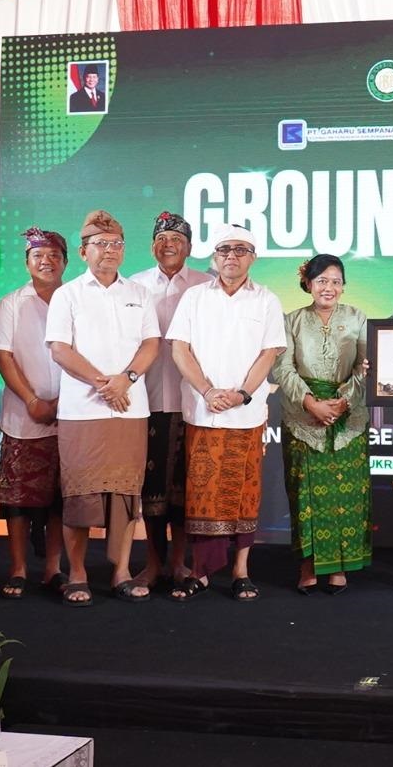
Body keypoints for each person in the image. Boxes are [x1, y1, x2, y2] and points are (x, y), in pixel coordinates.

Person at [44, 209, 162, 606]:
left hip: (130, 408)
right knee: (80, 494)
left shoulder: (139, 293)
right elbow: (60, 349)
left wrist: (125, 380)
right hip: (83, 409)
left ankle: (122, 572)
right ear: (83, 251)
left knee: (127, 494)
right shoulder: (68, 294)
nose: (109, 251)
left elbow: (151, 344)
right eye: (100, 244)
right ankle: (76, 573)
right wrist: (103, 384)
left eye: (116, 244)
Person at [168, 224, 287, 601]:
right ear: (213, 256)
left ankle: (240, 570)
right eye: (224, 249)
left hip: (245, 415)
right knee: (201, 493)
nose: (231, 256)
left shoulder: (266, 300)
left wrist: (241, 394)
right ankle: (201, 572)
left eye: (240, 250)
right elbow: (180, 349)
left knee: (243, 495)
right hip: (203, 412)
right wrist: (207, 390)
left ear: (253, 257)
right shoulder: (194, 297)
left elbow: (269, 353)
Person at [270, 253, 371, 593]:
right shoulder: (292, 321)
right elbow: (282, 368)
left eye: (336, 281)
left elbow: (366, 366)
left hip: (349, 416)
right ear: (309, 284)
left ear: (343, 286)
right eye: (322, 281)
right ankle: (308, 567)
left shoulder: (357, 318)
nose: (329, 288)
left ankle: (340, 567)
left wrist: (344, 401)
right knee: (304, 494)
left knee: (348, 494)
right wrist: (311, 402)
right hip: (303, 415)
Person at [129, 211, 209, 591]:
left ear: (190, 247)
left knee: (184, 491)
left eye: (177, 239)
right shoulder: (135, 285)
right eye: (161, 239)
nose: (169, 245)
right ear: (152, 246)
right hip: (145, 401)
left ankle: (180, 564)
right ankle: (152, 564)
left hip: (195, 402)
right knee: (151, 491)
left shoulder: (206, 285)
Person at [0, 227, 69, 599]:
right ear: (27, 262)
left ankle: (54, 569)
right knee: (18, 500)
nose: (46, 261)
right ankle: (18, 568)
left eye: (54, 255)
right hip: (24, 416)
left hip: (71, 414)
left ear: (66, 262)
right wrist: (33, 400)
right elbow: (2, 355)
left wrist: (64, 400)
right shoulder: (11, 303)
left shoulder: (76, 300)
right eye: (39, 256)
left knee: (59, 498)